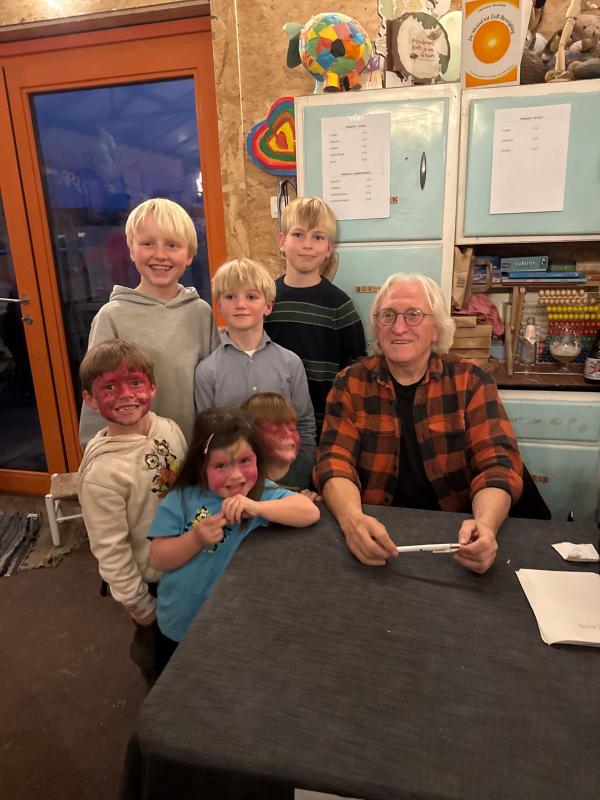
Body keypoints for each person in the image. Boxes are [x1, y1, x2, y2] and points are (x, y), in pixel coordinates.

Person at [315, 273, 524, 575]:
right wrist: (352, 522)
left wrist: (485, 525)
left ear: (436, 328)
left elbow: (498, 465)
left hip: (454, 535)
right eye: (388, 315)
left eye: (414, 314)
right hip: (374, 527)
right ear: (377, 327)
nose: (399, 327)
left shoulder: (471, 381)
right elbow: (334, 462)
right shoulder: (350, 383)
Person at [148, 406, 320, 669]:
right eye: (220, 465)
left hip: (232, 626)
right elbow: (158, 558)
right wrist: (196, 539)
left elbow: (309, 511)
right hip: (179, 623)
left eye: (245, 461)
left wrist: (257, 508)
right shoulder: (183, 498)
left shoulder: (260, 495)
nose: (237, 476)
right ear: (201, 466)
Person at [77, 339, 187, 685]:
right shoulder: (101, 475)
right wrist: (141, 608)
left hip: (185, 563)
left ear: (152, 386)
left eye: (135, 382)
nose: (126, 394)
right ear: (90, 398)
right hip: (151, 583)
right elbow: (110, 549)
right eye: (110, 387)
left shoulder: (169, 429)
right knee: (160, 659)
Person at [79, 197, 220, 446]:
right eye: (148, 244)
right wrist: (96, 448)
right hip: (134, 455)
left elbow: (214, 385)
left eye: (172, 245)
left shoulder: (200, 313)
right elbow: (98, 389)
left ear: (189, 255)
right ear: (132, 251)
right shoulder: (111, 317)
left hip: (195, 452)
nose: (160, 255)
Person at [194, 258, 316, 488]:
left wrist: (302, 478)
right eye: (230, 296)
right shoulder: (207, 371)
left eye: (251, 297)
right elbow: (207, 437)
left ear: (268, 305)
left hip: (288, 484)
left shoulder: (290, 363)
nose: (240, 304)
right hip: (234, 485)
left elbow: (305, 424)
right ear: (218, 305)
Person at [264, 196, 366, 435]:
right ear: (282, 242)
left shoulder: (340, 306)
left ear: (329, 248)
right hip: (271, 424)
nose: (307, 245)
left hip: (326, 427)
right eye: (298, 234)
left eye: (318, 237)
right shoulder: (265, 300)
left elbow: (356, 370)